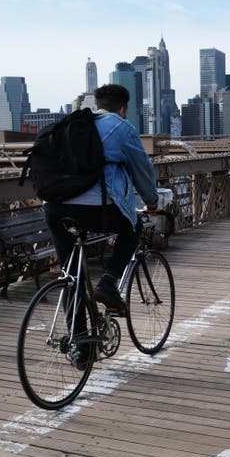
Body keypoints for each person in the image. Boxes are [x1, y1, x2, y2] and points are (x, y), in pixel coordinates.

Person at [44, 84, 159, 367]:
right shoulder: (121, 127)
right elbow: (142, 169)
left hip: (55, 207)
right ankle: (108, 284)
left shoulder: (72, 124)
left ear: (97, 104)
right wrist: (152, 200)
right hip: (97, 208)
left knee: (71, 275)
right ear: (123, 109)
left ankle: (81, 348)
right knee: (132, 229)